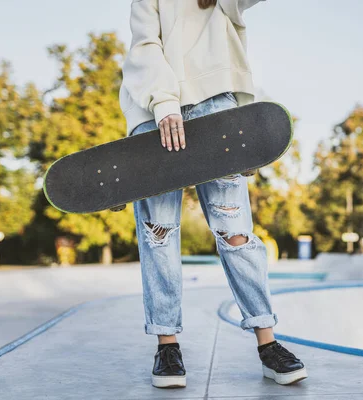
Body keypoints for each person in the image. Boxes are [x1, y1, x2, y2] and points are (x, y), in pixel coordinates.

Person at [118, 0, 307, 388]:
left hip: (217, 109)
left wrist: (249, 127)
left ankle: (267, 342)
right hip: (153, 112)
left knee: (236, 233)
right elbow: (144, 46)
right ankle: (167, 345)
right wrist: (165, 102)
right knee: (160, 234)